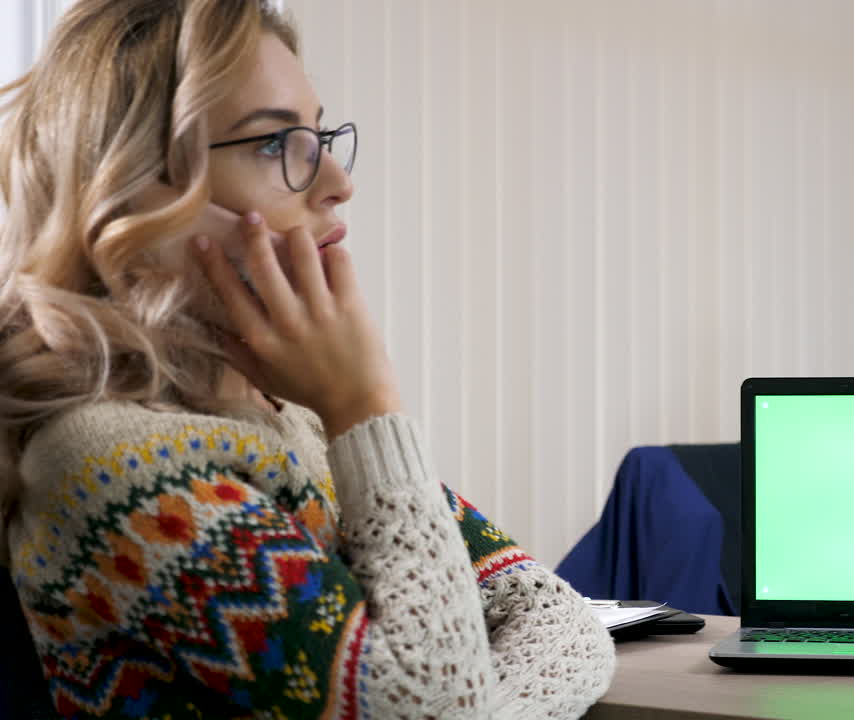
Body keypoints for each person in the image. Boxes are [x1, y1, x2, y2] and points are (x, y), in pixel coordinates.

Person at [0, 1, 615, 717]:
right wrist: (368, 406)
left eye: (319, 135)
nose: (336, 182)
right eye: (274, 144)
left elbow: (555, 616)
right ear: (129, 182)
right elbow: (428, 705)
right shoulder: (112, 462)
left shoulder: (294, 415)